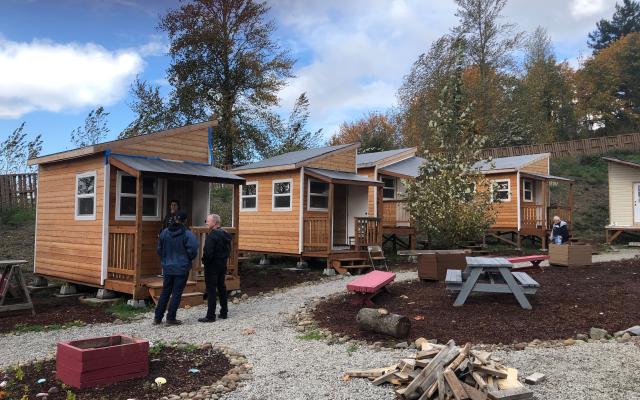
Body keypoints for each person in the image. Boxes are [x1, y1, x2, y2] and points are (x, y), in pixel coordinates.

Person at [154, 210, 199, 325]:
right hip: (182, 268)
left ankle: (157, 318)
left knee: (165, 291)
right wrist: (188, 259)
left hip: (168, 267)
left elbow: (159, 249)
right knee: (176, 293)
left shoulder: (164, 232)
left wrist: (164, 259)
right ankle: (171, 318)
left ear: (175, 219)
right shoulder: (187, 234)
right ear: (185, 221)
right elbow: (193, 249)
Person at [198, 213, 231, 323]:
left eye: (208, 221)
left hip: (212, 266)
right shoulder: (225, 234)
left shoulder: (212, 235)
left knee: (211, 290)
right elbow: (228, 250)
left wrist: (205, 262)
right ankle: (224, 312)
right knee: (222, 287)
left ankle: (210, 316)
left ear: (214, 222)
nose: (206, 223)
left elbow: (208, 252)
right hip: (222, 264)